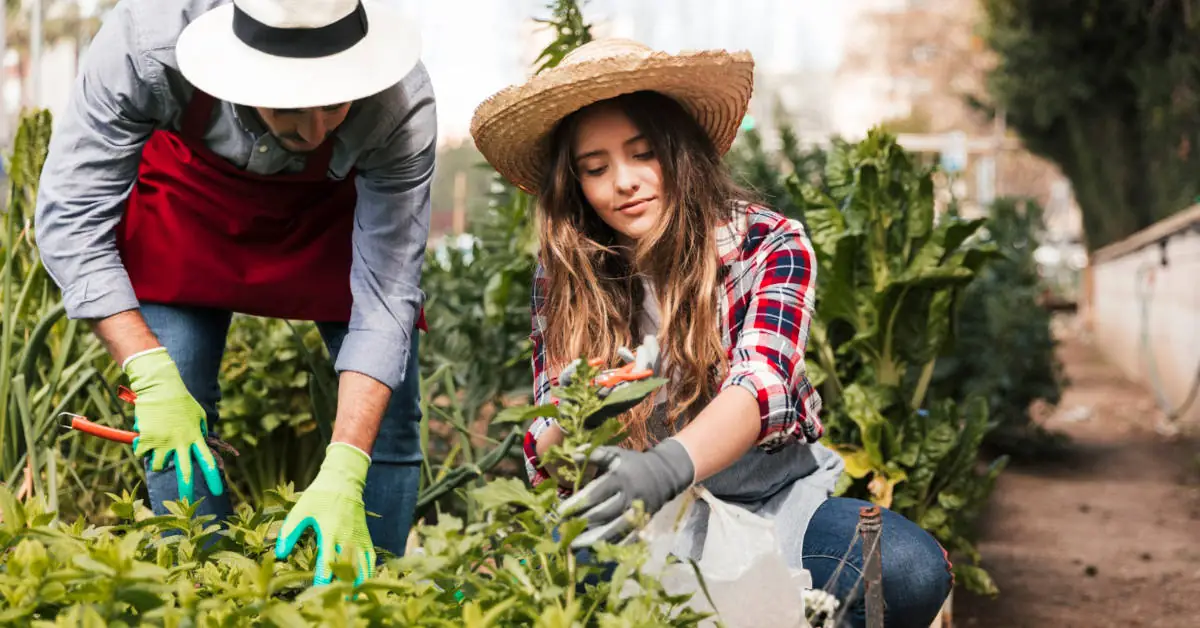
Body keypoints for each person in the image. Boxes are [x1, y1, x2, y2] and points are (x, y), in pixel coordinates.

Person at [470, 39, 954, 626]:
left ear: (678, 150)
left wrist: (667, 464)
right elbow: (546, 430)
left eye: (642, 154)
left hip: (772, 502)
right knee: (557, 581)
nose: (622, 183)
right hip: (637, 516)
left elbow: (761, 385)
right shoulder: (567, 275)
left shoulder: (767, 244)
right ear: (575, 185)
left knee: (907, 569)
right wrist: (574, 422)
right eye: (595, 168)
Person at [34, 0, 435, 586]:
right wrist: (148, 373)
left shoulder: (401, 103)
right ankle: (205, 591)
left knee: (389, 423)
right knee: (178, 395)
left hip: (332, 220)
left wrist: (347, 465)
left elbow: (386, 297)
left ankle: (370, 594)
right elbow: (72, 218)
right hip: (189, 208)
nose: (316, 130)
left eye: (335, 102)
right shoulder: (147, 42)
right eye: (291, 108)